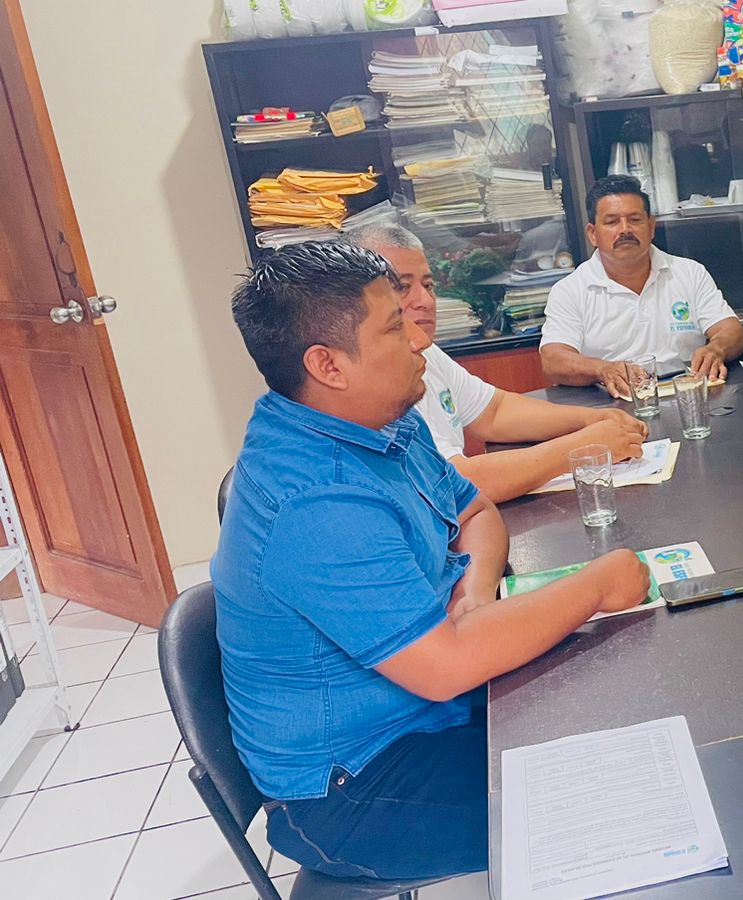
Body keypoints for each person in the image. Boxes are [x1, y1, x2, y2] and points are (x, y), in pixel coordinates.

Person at [211, 242, 652, 881]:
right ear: (327, 364)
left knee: (621, 706)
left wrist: (473, 594)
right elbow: (445, 667)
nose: (420, 340)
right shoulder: (313, 499)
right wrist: (597, 585)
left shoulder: (382, 420)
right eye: (395, 327)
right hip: (355, 784)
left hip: (431, 701)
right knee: (614, 803)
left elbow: (476, 511)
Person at [345, 223, 647, 503]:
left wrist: (591, 419)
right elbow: (454, 483)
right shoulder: (365, 379)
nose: (425, 300)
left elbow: (493, 411)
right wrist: (586, 447)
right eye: (402, 287)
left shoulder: (425, 350)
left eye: (428, 285)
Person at [540, 175, 743, 395]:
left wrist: (716, 349)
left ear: (651, 226)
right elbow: (553, 360)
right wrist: (602, 369)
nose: (625, 230)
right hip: (612, 402)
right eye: (612, 222)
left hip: (689, 394)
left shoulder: (689, 273)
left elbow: (733, 332)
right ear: (593, 234)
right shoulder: (570, 290)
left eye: (635, 219)